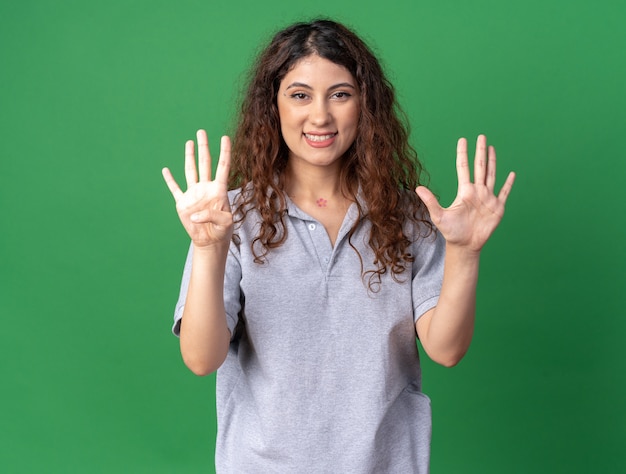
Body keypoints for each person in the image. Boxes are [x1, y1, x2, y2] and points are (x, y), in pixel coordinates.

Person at [162, 19, 515, 473]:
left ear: (365, 104)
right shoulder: (228, 218)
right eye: (300, 94)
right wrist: (210, 249)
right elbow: (200, 357)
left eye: (341, 94)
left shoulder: (408, 216)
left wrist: (466, 252)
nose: (321, 116)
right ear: (274, 106)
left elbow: (446, 349)